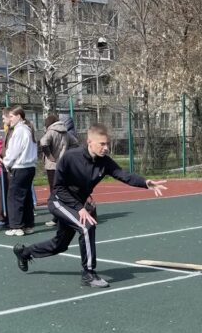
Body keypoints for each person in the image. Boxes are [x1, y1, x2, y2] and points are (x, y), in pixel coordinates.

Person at [13, 123, 166, 288]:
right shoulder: (70, 157)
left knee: (60, 245)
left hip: (77, 204)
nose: (106, 148)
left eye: (107, 144)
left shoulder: (104, 162)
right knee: (86, 227)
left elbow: (123, 175)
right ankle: (88, 274)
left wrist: (145, 182)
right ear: (89, 142)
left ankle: (24, 252)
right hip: (59, 201)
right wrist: (79, 208)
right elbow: (58, 188)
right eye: (102, 144)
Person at [2, 105, 38, 237]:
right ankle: (28, 224)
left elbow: (14, 151)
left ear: (19, 116)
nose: (9, 119)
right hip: (29, 167)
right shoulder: (27, 129)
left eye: (11, 116)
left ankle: (16, 226)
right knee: (26, 196)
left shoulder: (20, 130)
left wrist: (6, 162)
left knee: (14, 197)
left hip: (21, 167)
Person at [40, 114, 79, 227]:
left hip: (52, 167)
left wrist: (50, 156)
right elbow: (75, 143)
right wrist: (67, 155)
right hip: (63, 166)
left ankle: (57, 217)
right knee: (64, 191)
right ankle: (66, 215)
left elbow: (43, 142)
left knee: (54, 192)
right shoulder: (65, 132)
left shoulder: (51, 131)